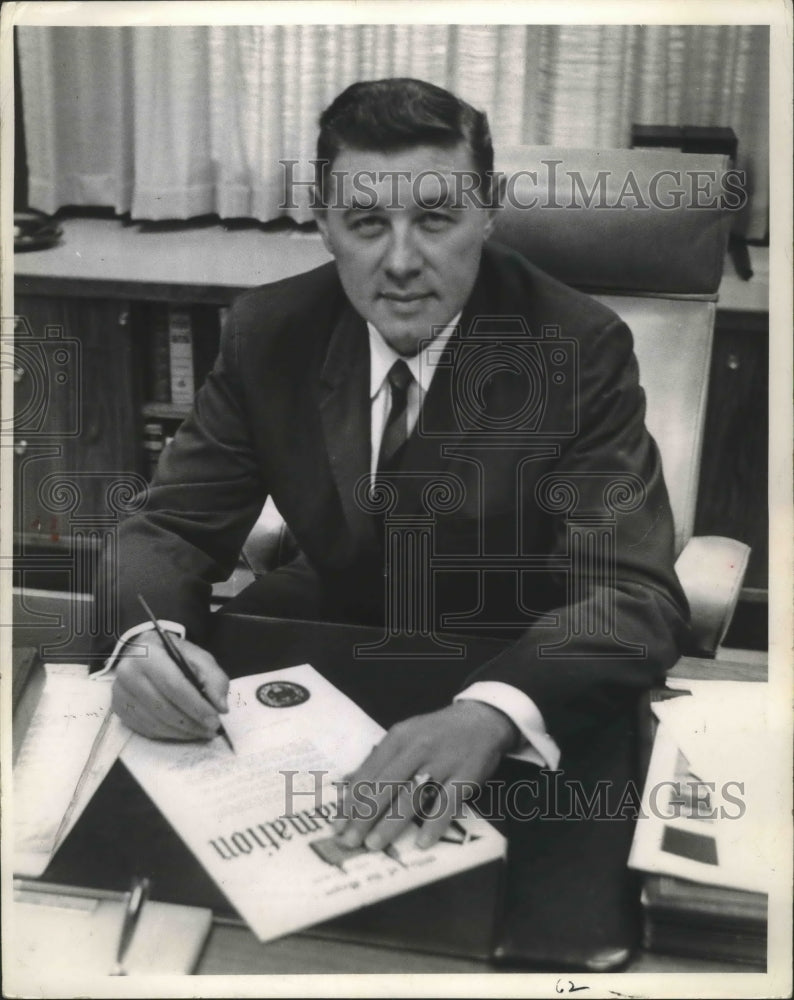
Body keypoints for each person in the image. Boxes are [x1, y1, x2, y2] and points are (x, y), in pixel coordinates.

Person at [96, 78, 688, 852]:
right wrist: (149, 642)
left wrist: (495, 710)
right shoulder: (270, 332)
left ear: (487, 211)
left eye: (435, 218)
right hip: (326, 655)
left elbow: (631, 595)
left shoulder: (577, 348)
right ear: (324, 224)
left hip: (515, 659)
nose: (402, 261)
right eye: (367, 222)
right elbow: (168, 526)